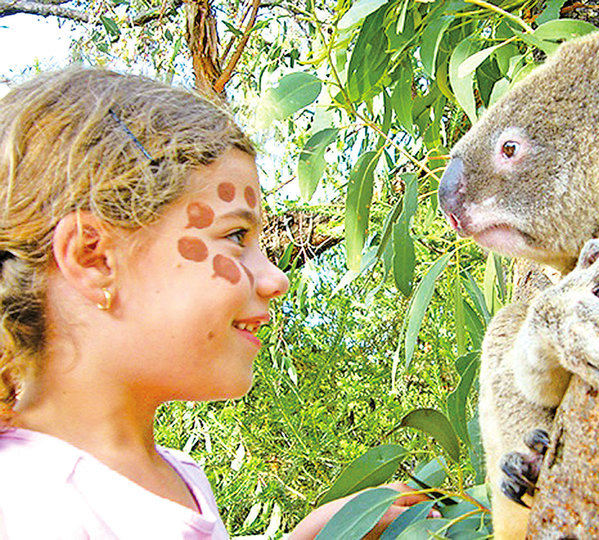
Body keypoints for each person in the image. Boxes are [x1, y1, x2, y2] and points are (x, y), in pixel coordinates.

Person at [0, 67, 430, 538]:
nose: (275, 278)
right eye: (235, 235)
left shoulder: (171, 474)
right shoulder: (31, 503)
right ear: (94, 257)